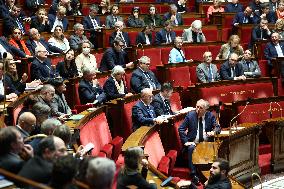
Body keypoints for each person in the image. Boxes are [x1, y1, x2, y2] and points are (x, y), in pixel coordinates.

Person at [178, 99, 220, 185]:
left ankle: (213, 174)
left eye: (200, 108)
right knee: (191, 148)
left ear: (206, 109)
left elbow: (218, 127)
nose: (197, 109)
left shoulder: (210, 115)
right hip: (193, 142)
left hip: (206, 142)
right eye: (197, 107)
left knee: (217, 146)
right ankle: (193, 175)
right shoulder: (190, 115)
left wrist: (213, 132)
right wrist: (186, 141)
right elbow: (181, 129)